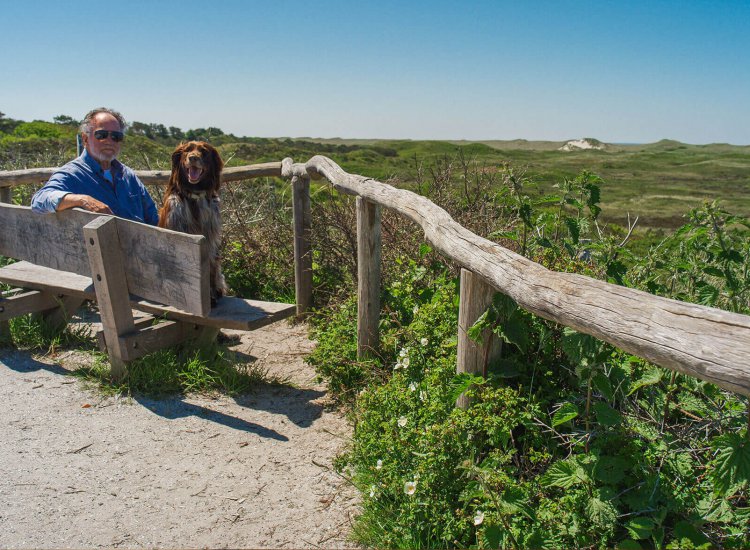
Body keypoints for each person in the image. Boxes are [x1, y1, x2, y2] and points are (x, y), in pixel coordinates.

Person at [31, 107, 158, 225]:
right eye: (101, 135)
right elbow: (39, 200)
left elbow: (153, 218)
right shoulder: (72, 174)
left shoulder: (128, 176)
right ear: (85, 139)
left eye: (116, 136)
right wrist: (82, 199)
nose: (109, 141)